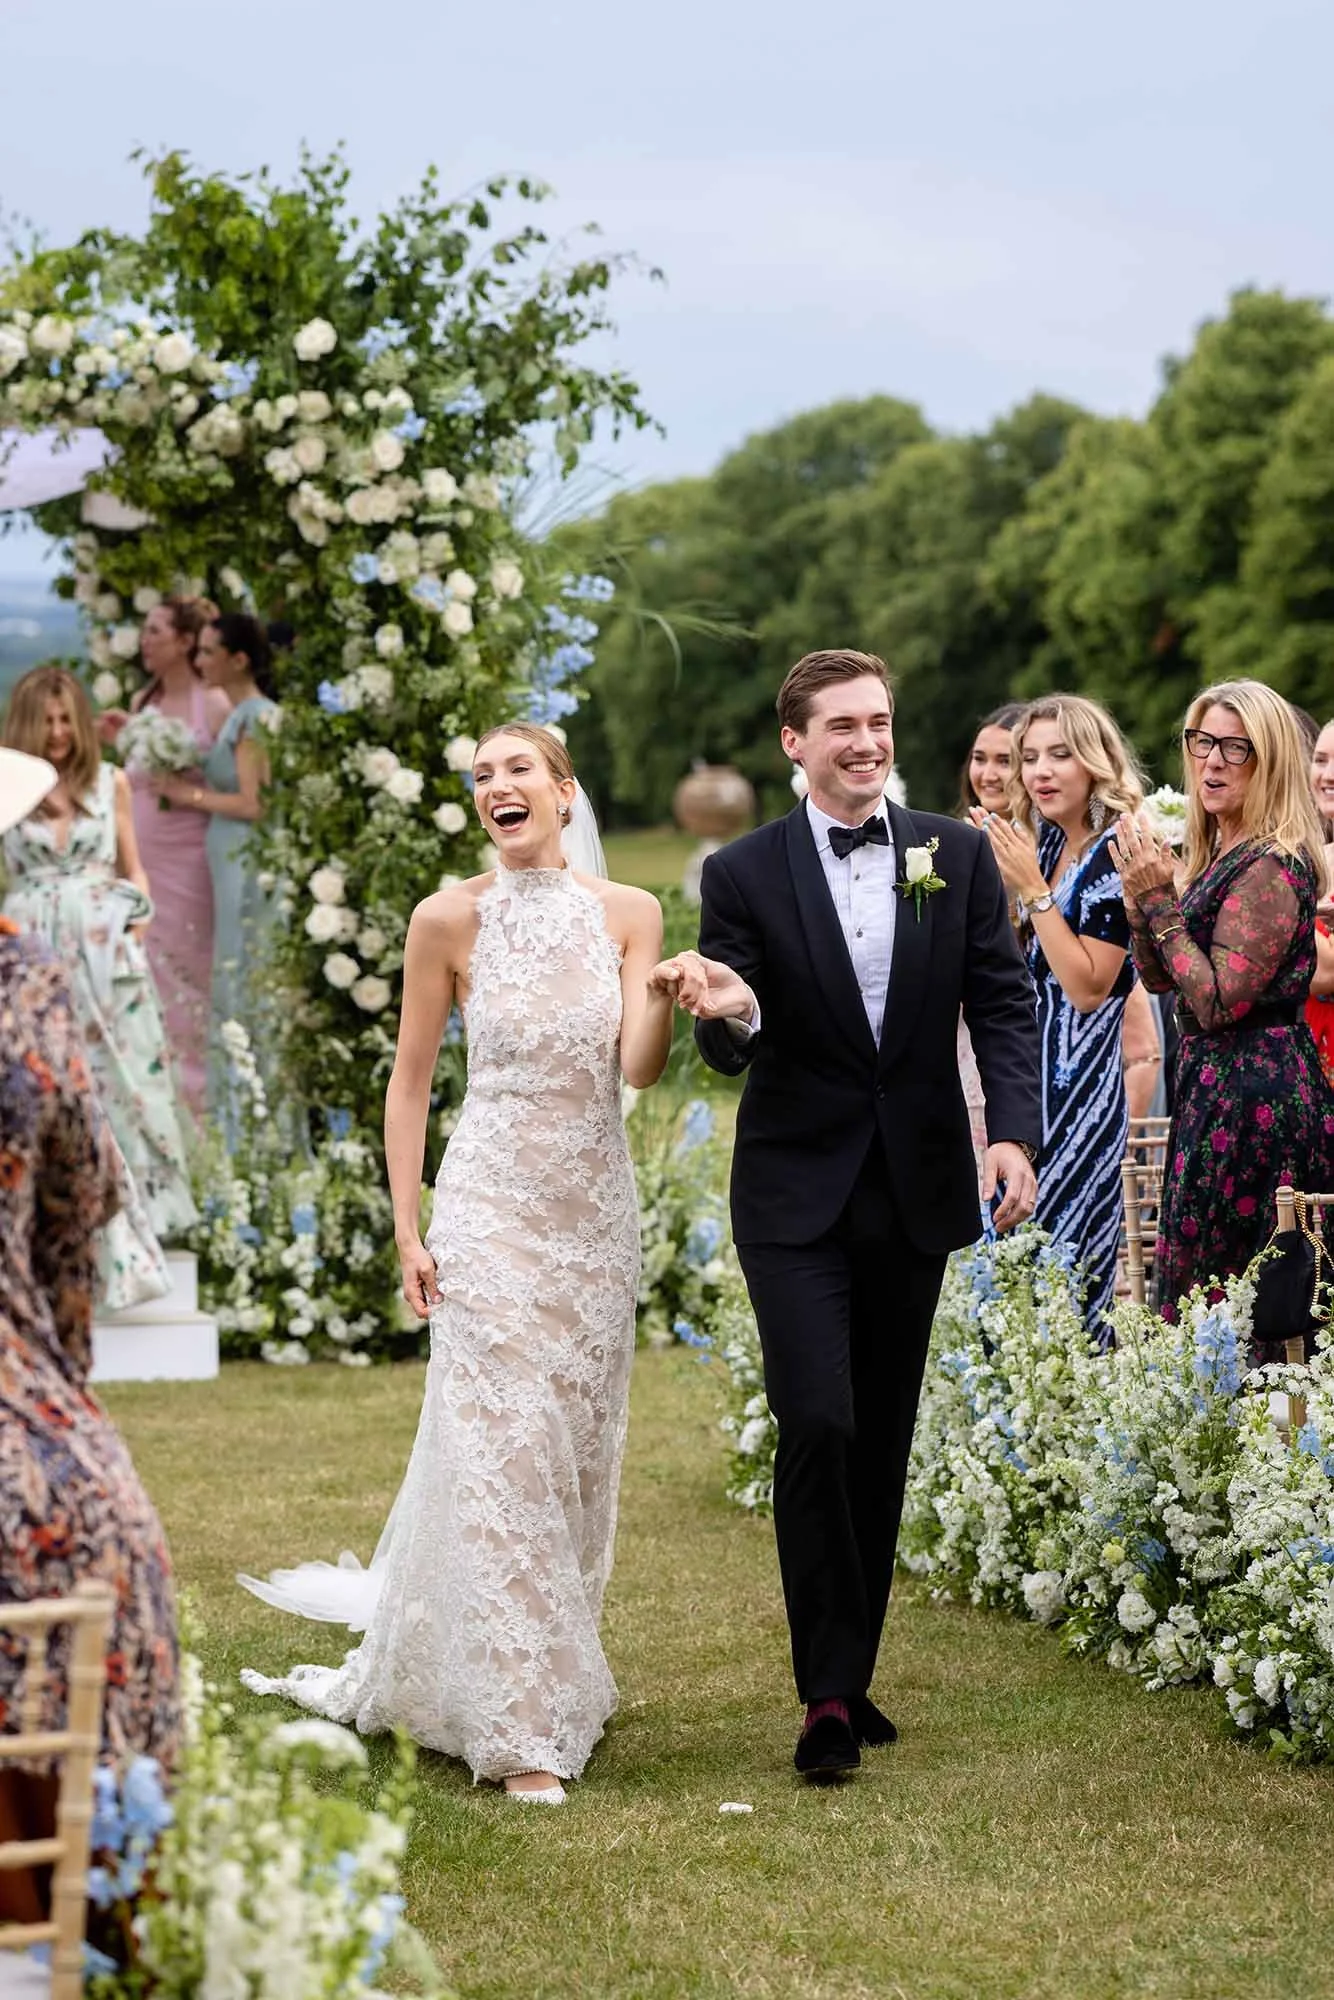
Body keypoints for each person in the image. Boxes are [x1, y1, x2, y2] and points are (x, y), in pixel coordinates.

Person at [238, 723, 677, 1802]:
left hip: (589, 1212)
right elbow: (410, 1082)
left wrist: (665, 993)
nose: (495, 786)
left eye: (516, 769)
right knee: (503, 1448)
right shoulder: (445, 918)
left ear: (564, 793)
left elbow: (637, 1068)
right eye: (481, 776)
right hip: (485, 1208)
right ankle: (521, 1726)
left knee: (572, 1451)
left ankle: (551, 1667)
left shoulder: (630, 915)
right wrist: (407, 1224)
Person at [666, 649, 1040, 1780]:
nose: (866, 742)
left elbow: (1000, 1000)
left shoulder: (955, 853)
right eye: (841, 726)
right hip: (791, 1193)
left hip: (914, 1184)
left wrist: (1010, 1134)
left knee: (877, 1434)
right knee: (816, 1417)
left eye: (877, 722)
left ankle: (846, 1668)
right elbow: (725, 1027)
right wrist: (731, 1011)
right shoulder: (739, 871)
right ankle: (825, 1694)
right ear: (794, 741)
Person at [0, 748, 180, 1927]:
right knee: (102, 1552)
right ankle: (88, 1920)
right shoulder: (21, 982)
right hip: (18, 1410)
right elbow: (80, 1210)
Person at [1114, 681, 1334, 1313]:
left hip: (1259, 1100)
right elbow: (1165, 979)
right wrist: (1141, 902)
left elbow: (1217, 1003)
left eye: (1234, 749)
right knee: (1206, 1297)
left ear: (1268, 763)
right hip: (1216, 1089)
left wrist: (1161, 903)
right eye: (1202, 742)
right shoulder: (1221, 855)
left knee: (1250, 1304)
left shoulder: (1271, 863)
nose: (1210, 761)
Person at [2, 667, 197, 1307]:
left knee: (126, 1085)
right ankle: (59, 1247)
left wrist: (135, 919)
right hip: (35, 956)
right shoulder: (9, 788)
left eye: (67, 719)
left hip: (110, 958)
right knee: (51, 1087)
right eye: (47, 721)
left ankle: (142, 1244)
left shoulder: (108, 781)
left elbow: (133, 869)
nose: (59, 733)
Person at [974, 695, 1143, 1338]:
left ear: (1095, 763)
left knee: (1068, 1289)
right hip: (1029, 1082)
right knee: (1007, 1280)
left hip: (1082, 1096)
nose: (1040, 771)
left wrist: (1032, 891)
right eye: (1030, 757)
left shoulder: (1114, 852)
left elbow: (1088, 987)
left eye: (1060, 754)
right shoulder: (1048, 847)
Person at [100, 597, 229, 1115]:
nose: (144, 640)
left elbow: (236, 782)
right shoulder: (143, 700)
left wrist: (186, 790)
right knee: (145, 967)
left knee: (190, 969)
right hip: (141, 856)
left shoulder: (213, 702)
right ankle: (154, 1091)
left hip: (191, 860)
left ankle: (199, 1100)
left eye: (154, 631)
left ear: (182, 641)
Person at [155, 614, 279, 1079]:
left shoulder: (254, 716)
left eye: (208, 651)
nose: (199, 660)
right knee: (232, 967)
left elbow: (254, 803)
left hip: (246, 862)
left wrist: (185, 795)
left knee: (243, 969)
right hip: (228, 860)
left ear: (239, 659)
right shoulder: (240, 716)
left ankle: (252, 1097)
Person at [1304, 716, 1334, 1086]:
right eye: (1321, 760)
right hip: (1303, 1054)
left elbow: (1322, 975)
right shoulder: (1309, 858)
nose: (1328, 775)